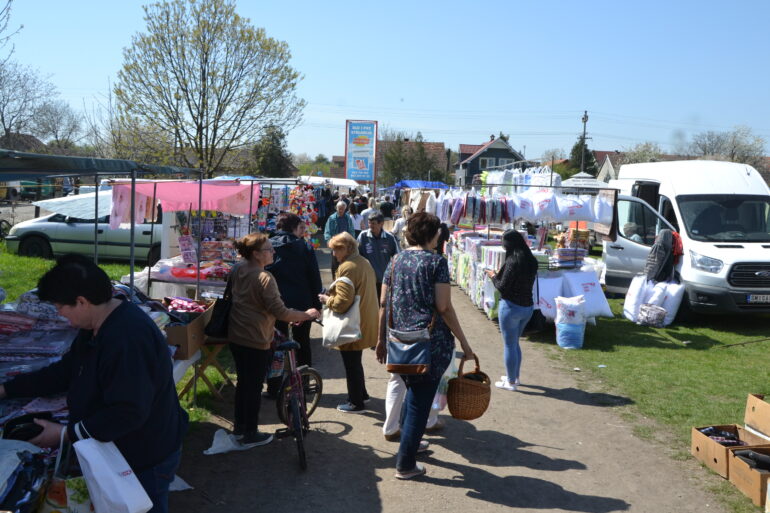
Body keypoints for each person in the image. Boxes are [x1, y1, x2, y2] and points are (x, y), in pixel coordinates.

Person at [0, 254, 188, 513]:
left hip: (144, 455)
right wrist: (6, 389)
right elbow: (65, 371)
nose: (60, 315)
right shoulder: (97, 324)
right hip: (122, 450)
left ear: (81, 301)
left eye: (60, 308)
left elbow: (128, 412)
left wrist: (65, 434)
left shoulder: (127, 338)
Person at [376, 213, 475, 480]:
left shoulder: (396, 260)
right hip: (429, 345)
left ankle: (411, 444)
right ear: (432, 234)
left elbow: (384, 303)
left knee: (413, 396)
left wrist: (380, 339)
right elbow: (443, 307)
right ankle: (405, 464)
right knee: (420, 402)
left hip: (399, 340)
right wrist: (465, 343)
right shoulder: (436, 262)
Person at [228, 233, 320, 447]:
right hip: (255, 337)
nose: (274, 251)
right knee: (252, 387)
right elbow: (281, 312)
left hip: (237, 334)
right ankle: (249, 432)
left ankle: (240, 427)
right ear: (257, 254)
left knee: (244, 383)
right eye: (269, 249)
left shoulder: (238, 268)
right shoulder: (264, 278)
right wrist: (307, 314)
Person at [318, 232, 378, 413]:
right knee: (355, 362)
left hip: (352, 323)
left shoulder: (348, 267)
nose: (334, 254)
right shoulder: (363, 262)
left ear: (345, 249)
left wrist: (326, 299)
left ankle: (355, 402)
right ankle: (362, 394)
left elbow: (342, 302)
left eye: (336, 250)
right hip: (365, 319)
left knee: (351, 364)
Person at [264, 213, 323, 397]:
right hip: (302, 303)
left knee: (275, 344)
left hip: (276, 303)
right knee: (302, 343)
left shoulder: (269, 246)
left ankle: (274, 387)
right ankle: (303, 384)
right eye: (301, 227)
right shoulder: (304, 246)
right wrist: (317, 306)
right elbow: (314, 276)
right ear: (294, 228)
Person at [485, 230, 538, 391]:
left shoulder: (513, 261)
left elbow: (502, 287)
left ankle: (511, 381)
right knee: (515, 343)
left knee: (509, 344)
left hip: (511, 307)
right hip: (527, 307)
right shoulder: (531, 260)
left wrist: (493, 275)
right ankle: (514, 376)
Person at [357, 212, 400, 301]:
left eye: (373, 223)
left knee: (383, 304)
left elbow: (397, 258)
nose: (370, 226)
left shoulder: (390, 238)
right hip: (368, 280)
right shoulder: (363, 236)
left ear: (381, 223)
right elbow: (356, 255)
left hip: (384, 280)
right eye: (369, 223)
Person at [324, 201, 356, 278]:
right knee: (335, 265)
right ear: (336, 208)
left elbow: (351, 230)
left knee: (346, 264)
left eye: (342, 209)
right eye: (339, 209)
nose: (341, 210)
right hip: (335, 244)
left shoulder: (348, 218)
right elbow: (327, 231)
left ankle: (344, 280)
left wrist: (352, 241)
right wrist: (329, 241)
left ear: (345, 209)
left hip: (345, 245)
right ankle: (335, 281)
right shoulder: (331, 218)